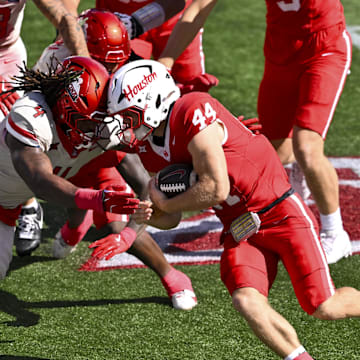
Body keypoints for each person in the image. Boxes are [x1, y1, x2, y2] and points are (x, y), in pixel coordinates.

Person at [91, 59, 360, 360]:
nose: (125, 125)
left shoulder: (191, 108)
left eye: (129, 115)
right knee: (246, 300)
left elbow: (215, 187)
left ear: (152, 101)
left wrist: (163, 201)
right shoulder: (148, 147)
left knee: (324, 306)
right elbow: (173, 218)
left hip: (279, 211)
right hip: (241, 229)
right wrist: (153, 215)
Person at [156, 0, 353, 265]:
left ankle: (334, 232)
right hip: (280, 51)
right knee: (276, 151)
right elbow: (199, 6)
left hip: (323, 48)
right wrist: (164, 63)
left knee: (306, 147)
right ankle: (298, 178)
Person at [32, 11, 198, 311]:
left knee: (115, 218)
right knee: (64, 192)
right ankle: (75, 224)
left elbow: (140, 140)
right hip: (63, 144)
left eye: (116, 61)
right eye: (105, 61)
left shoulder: (123, 69)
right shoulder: (58, 63)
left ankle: (171, 274)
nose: (112, 68)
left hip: (100, 148)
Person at [0, 56, 140, 280]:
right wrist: (96, 199)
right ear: (65, 108)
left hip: (5, 208)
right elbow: (39, 180)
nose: (94, 131)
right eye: (88, 123)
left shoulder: (90, 127)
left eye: (100, 122)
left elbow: (141, 173)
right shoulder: (32, 116)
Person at [0, 0, 91, 256]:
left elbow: (65, 18)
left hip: (6, 55)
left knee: (13, 131)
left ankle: (27, 204)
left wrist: (87, 71)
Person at [95, 0, 219, 93]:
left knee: (191, 92)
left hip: (176, 20)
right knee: (121, 88)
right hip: (121, 19)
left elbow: (198, 10)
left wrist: (164, 66)